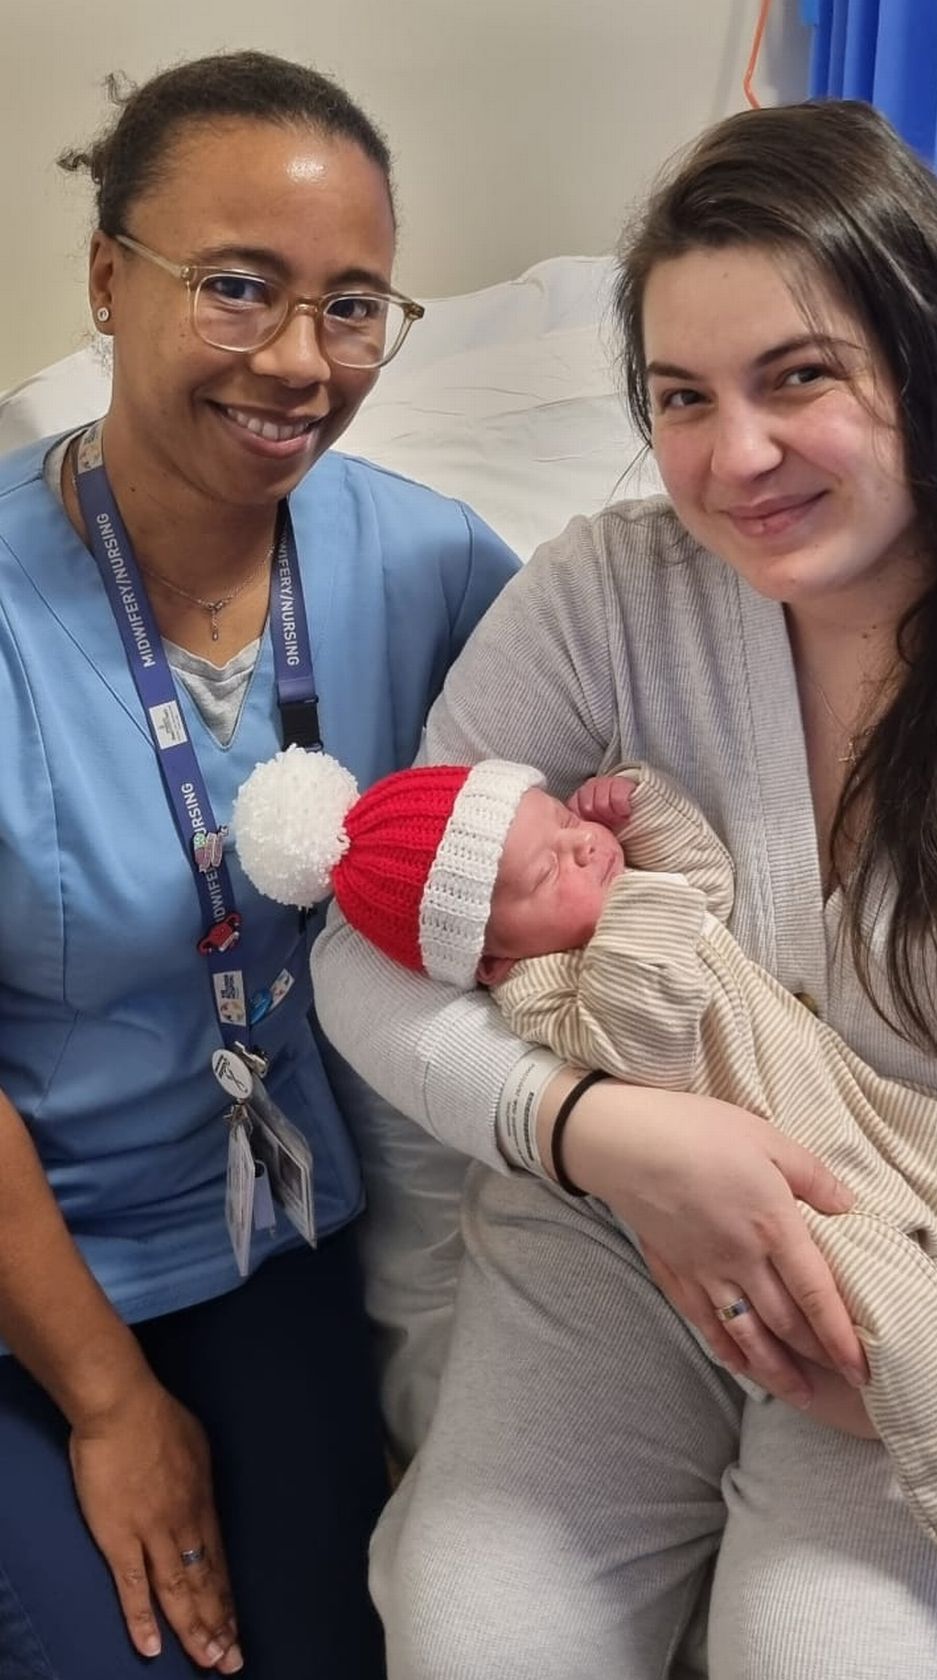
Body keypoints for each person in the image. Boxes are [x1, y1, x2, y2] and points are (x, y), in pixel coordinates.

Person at [312, 100, 937, 1680]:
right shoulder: (603, 598)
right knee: (474, 1639)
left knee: (821, 1655)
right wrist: (597, 1134)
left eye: (799, 378)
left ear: (932, 368)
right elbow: (364, 959)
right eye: (680, 398)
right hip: (620, 1240)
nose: (737, 458)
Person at [0, 50, 517, 1680]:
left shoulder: (428, 562)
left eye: (354, 305)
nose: (301, 361)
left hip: (268, 1243)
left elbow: (606, 767)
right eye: (238, 288)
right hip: (33, 1258)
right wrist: (106, 1401)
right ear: (106, 277)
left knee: (330, 1653)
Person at [235, 744, 937, 1569]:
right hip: (775, 1199)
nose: (579, 846)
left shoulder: (617, 893)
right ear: (491, 960)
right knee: (889, 1324)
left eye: (561, 821)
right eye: (549, 870)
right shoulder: (546, 992)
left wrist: (644, 812)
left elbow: (707, 882)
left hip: (841, 1113)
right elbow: (645, 1042)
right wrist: (627, 902)